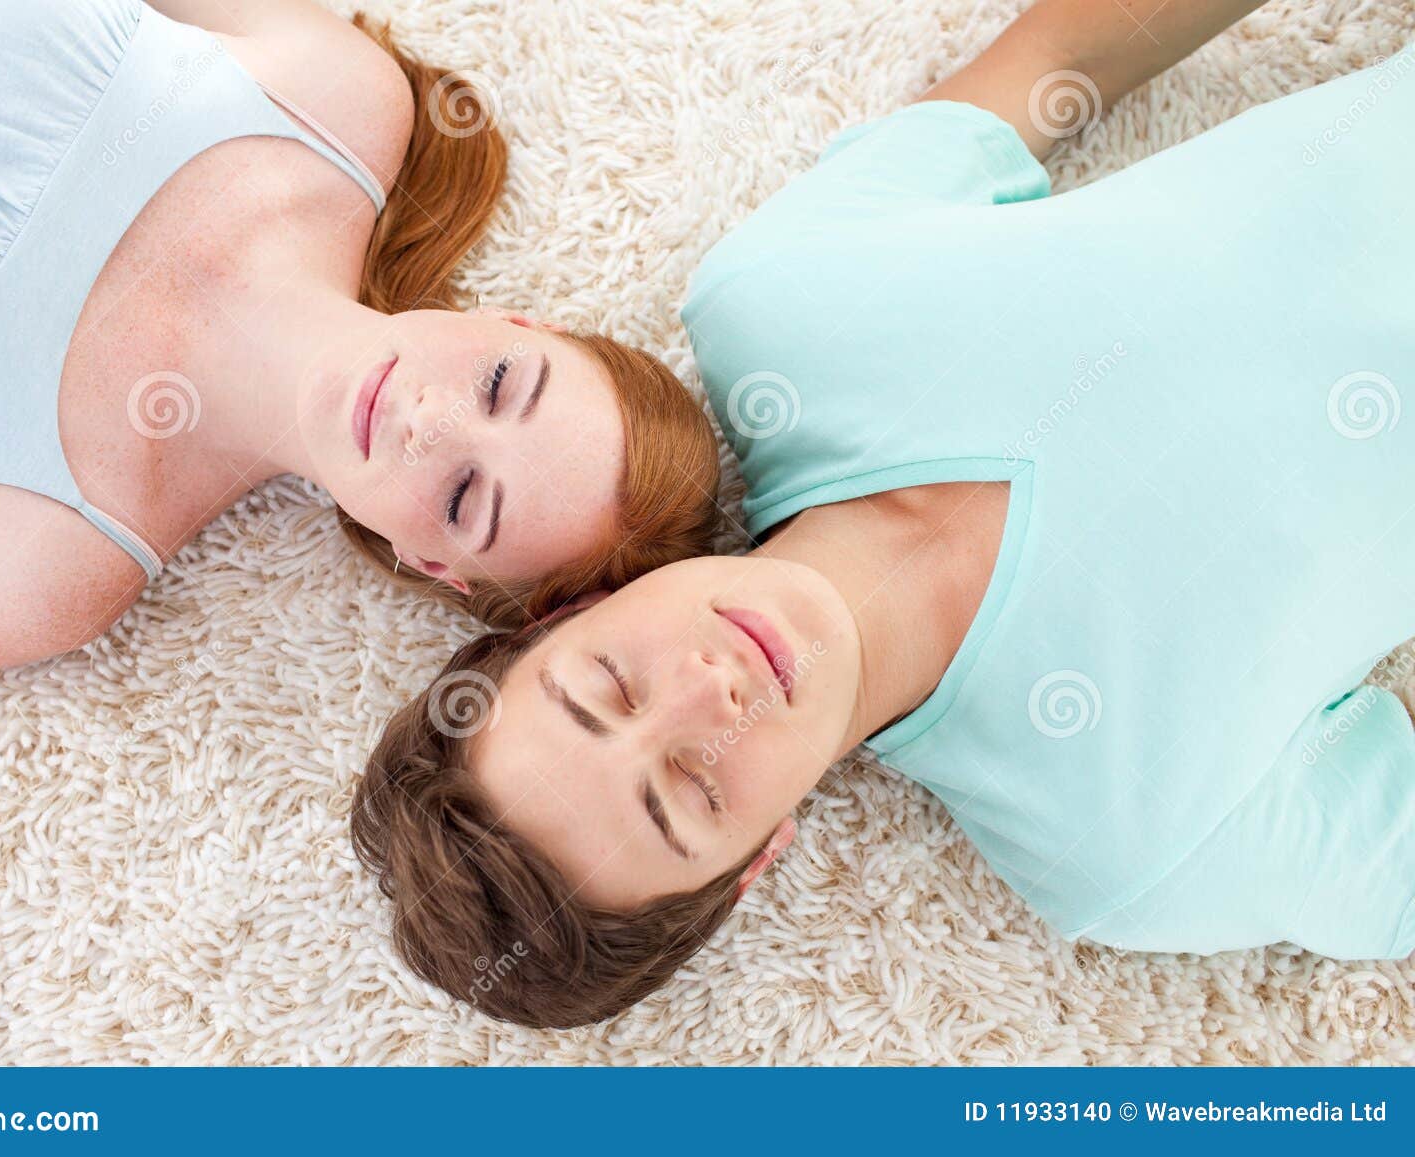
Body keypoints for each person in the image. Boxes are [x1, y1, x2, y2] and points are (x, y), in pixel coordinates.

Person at [353, 0, 1415, 1028]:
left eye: (609, 684)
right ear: (752, 863)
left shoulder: (782, 303)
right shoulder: (1129, 845)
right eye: (687, 790)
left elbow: (1068, 55)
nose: (705, 692)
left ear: (560, 615)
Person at [0, 0, 719, 668]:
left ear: (432, 563)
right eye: (500, 384)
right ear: (517, 322)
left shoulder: (34, 573)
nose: (430, 422)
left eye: (462, 497)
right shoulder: (340, 102)